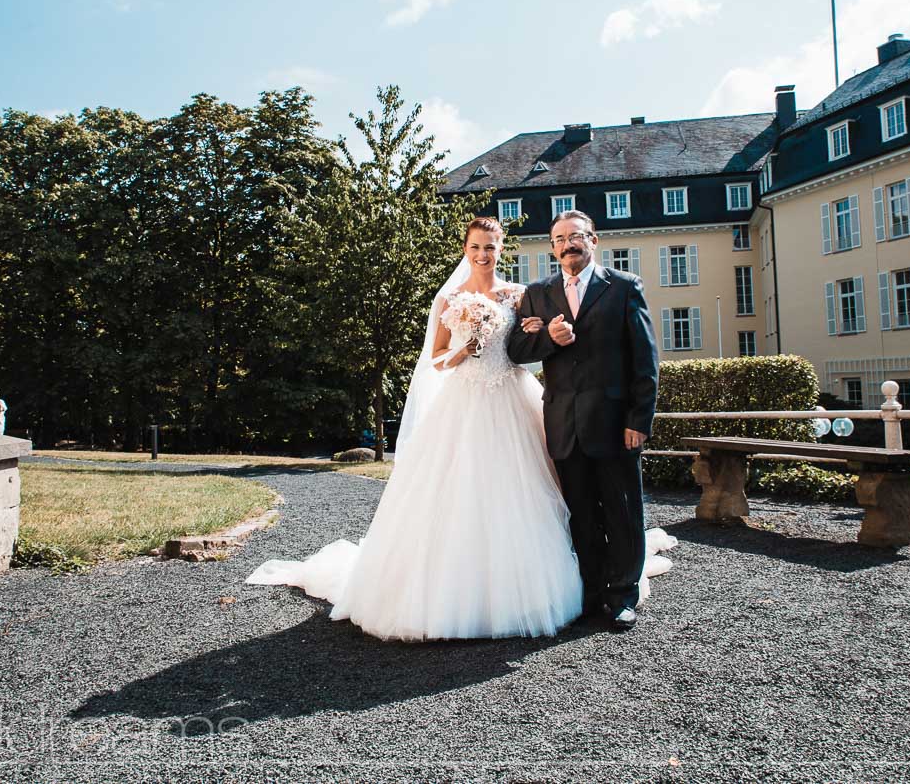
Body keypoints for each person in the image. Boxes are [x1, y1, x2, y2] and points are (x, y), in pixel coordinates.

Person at [248, 217, 673, 641]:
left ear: (502, 249)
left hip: (523, 403)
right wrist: (476, 348)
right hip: (474, 404)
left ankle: (614, 596)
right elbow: (462, 355)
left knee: (584, 504)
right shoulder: (479, 296)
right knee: (558, 507)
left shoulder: (530, 293)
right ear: (466, 250)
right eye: (475, 248)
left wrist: (635, 417)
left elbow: (554, 353)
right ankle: (584, 592)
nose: (483, 255)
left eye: (490, 247)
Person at [507, 210, 661, 631]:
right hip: (563, 424)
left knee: (622, 512)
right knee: (581, 515)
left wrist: (639, 419)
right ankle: (592, 596)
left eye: (576, 236)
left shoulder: (624, 287)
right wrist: (547, 339)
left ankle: (624, 595)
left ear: (593, 240)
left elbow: (645, 361)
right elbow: (517, 351)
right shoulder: (537, 293)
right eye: (559, 238)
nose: (567, 244)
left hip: (615, 424)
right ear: (552, 247)